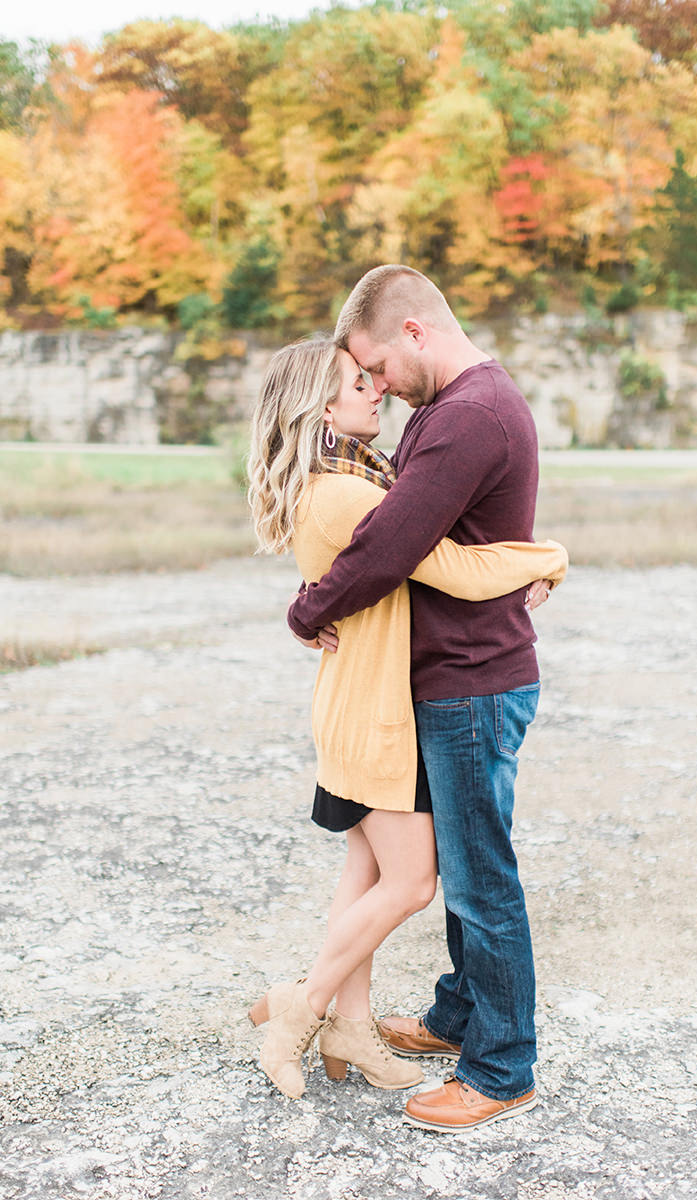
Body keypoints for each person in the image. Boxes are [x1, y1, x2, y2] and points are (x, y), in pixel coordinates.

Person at [247, 334, 567, 1104]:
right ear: (322, 405)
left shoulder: (344, 477)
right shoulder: (350, 493)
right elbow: (453, 568)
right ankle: (303, 1002)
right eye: (358, 382)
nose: (374, 391)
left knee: (365, 874)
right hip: (372, 713)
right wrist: (547, 553)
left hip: (356, 702)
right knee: (412, 882)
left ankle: (349, 1026)